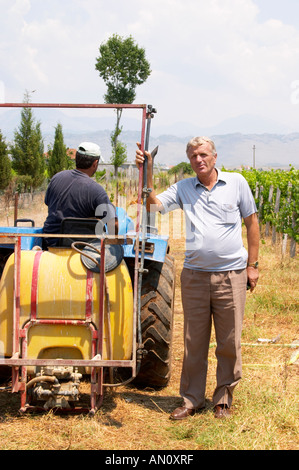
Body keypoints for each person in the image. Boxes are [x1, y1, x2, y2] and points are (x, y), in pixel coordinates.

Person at [135, 136, 259, 419]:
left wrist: (253, 265)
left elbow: (252, 223)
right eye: (193, 156)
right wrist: (148, 171)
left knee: (229, 341)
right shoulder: (183, 188)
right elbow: (153, 206)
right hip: (195, 276)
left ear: (214, 157)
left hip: (232, 275)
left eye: (203, 154)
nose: (198, 160)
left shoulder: (237, 183)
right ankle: (192, 399)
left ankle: (223, 399)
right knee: (194, 341)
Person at [43, 142, 117, 247]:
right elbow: (113, 223)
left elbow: (48, 203)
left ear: (76, 159)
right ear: (95, 163)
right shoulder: (96, 190)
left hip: (49, 243)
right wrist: (115, 243)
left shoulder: (56, 178)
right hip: (81, 247)